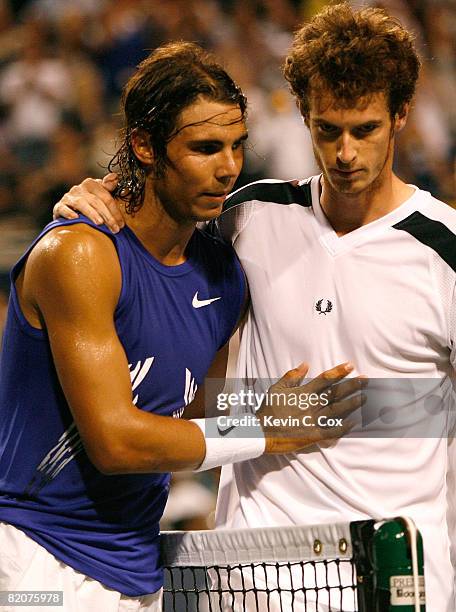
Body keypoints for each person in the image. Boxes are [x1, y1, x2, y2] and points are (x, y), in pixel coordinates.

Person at [53, 3, 456, 610]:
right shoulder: (249, 214)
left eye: (365, 129)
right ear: (302, 116)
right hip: (250, 572)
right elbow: (152, 223)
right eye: (327, 129)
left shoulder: (444, 253)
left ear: (401, 117)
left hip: (395, 573)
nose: (345, 153)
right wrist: (94, 195)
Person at [0, 41, 364, 612]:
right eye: (204, 148)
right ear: (144, 145)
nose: (228, 168)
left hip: (138, 573)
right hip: (32, 573)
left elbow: (185, 410)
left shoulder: (222, 273)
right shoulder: (80, 255)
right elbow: (117, 441)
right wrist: (259, 429)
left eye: (237, 146)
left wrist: (284, 409)